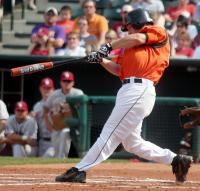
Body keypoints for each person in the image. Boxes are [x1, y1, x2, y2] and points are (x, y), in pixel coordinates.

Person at [55, 9, 193, 183]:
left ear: (136, 23)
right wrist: (100, 59)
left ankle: (80, 169)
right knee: (132, 143)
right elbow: (119, 70)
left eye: (129, 28)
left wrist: (108, 47)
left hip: (140, 89)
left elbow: (138, 38)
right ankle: (176, 160)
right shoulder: (129, 50)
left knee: (110, 132)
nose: (128, 32)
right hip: (129, 89)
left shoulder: (156, 30)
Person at [44, 71, 84, 158]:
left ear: (73, 82)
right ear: (60, 82)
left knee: (64, 134)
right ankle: (58, 163)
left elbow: (83, 109)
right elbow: (46, 108)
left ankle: (62, 160)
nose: (66, 83)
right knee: (56, 150)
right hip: (58, 126)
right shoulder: (54, 94)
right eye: (64, 81)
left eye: (69, 81)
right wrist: (48, 124)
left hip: (74, 126)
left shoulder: (78, 93)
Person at [31, 78, 55, 157]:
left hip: (55, 141)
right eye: (44, 88)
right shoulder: (37, 106)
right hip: (42, 141)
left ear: (53, 89)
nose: (46, 90)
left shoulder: (57, 103)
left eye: (49, 88)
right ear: (40, 89)